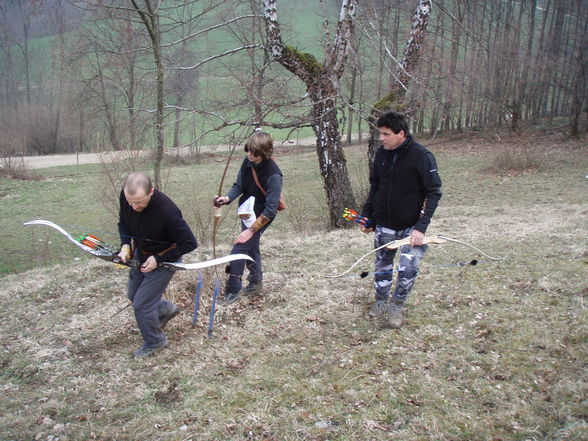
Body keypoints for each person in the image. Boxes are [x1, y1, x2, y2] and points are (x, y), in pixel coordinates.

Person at [360, 110, 442, 329]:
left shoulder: (422, 156)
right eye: (381, 134)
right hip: (384, 225)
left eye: (386, 134)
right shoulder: (381, 154)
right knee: (383, 266)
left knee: (408, 269)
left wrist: (420, 228)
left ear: (401, 134)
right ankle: (380, 301)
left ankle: (396, 306)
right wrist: (368, 215)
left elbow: (434, 193)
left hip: (411, 228)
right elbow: (375, 187)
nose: (382, 138)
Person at [117, 172, 197, 358]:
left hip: (165, 259)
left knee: (142, 305)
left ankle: (155, 341)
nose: (134, 206)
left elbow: (189, 243)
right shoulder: (127, 197)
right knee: (133, 295)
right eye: (131, 202)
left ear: (151, 192)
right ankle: (166, 310)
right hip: (141, 253)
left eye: (139, 202)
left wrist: (158, 259)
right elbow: (124, 222)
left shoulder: (168, 212)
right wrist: (125, 245)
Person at [213, 131, 283, 305]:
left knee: (239, 249)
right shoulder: (248, 162)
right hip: (247, 211)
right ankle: (256, 282)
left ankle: (233, 290)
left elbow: (271, 210)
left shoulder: (274, 175)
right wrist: (227, 198)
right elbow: (239, 185)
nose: (249, 155)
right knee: (250, 248)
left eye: (254, 152)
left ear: (265, 152)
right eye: (248, 150)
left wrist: (252, 231)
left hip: (263, 215)